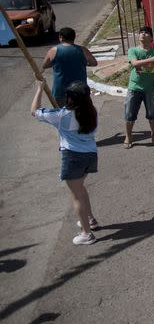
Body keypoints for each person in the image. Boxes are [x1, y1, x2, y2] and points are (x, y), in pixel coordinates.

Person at [32, 80, 99, 245]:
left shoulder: (62, 115)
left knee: (77, 196)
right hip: (90, 155)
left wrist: (39, 89)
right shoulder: (92, 111)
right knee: (80, 189)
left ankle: (86, 234)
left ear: (70, 98)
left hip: (73, 157)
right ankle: (89, 220)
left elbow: (34, 111)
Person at [124, 26, 154, 149]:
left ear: (151, 37)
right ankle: (128, 137)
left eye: (146, 33)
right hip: (135, 87)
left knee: (152, 114)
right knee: (130, 114)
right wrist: (152, 59)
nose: (143, 34)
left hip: (151, 88)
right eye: (141, 32)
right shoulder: (133, 50)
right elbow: (134, 63)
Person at [41, 27, 98, 107]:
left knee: (62, 116)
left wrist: (57, 63)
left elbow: (44, 65)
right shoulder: (82, 50)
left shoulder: (54, 51)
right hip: (80, 91)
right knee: (81, 116)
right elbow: (94, 63)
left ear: (61, 37)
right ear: (74, 37)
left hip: (60, 92)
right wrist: (84, 63)